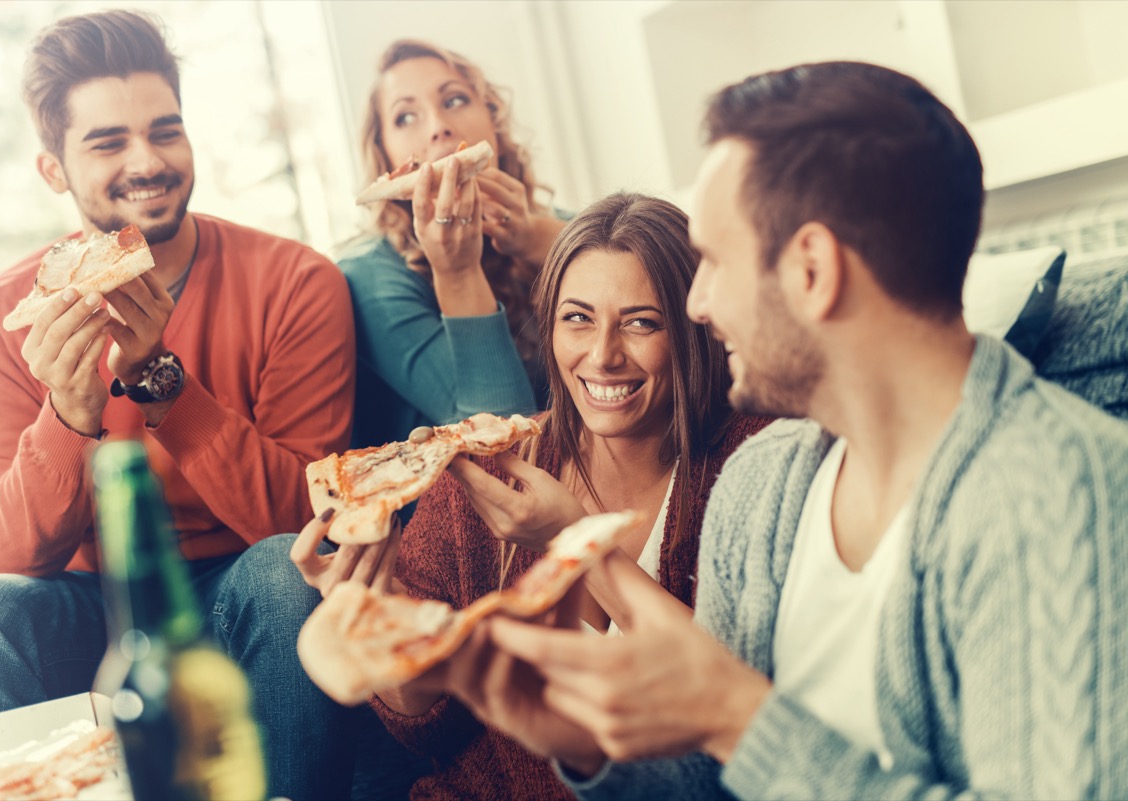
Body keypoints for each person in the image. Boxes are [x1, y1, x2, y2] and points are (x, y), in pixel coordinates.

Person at [447, 61, 1128, 800]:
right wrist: (580, 742)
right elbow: (712, 777)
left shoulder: (1064, 496)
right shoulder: (764, 481)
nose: (698, 304)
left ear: (811, 270)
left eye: (713, 260)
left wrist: (739, 716)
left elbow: (738, 730)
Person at [0, 10, 357, 800]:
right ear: (52, 169)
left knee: (286, 573)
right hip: (90, 605)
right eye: (107, 142)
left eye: (167, 131)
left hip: (238, 585)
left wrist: (162, 382)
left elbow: (304, 519)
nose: (148, 161)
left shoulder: (295, 281)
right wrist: (68, 414)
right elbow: (5, 556)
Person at [292, 192, 773, 800]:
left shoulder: (753, 463)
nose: (602, 355)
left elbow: (741, 706)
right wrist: (378, 611)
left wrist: (568, 537)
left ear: (693, 328)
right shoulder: (482, 468)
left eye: (640, 322)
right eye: (577, 319)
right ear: (548, 329)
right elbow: (423, 728)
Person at [338, 39, 569, 449]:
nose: (438, 126)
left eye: (456, 99)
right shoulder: (368, 279)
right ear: (385, 157)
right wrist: (458, 273)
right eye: (406, 116)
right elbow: (502, 445)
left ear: (494, 120)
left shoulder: (565, 225)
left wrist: (533, 239)